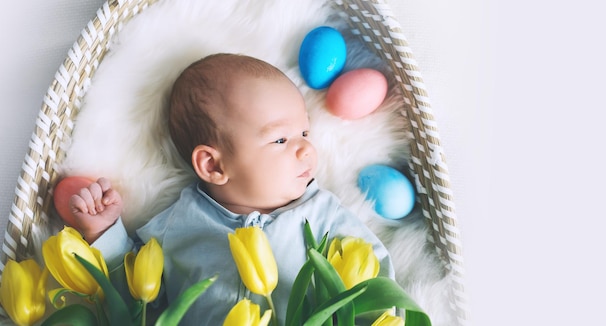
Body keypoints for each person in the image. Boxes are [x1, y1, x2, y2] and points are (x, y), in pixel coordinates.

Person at [68, 53, 394, 325]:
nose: (305, 149)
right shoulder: (177, 225)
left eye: (305, 132)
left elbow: (371, 277)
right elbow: (133, 294)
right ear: (213, 166)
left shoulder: (323, 216)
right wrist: (104, 233)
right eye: (280, 139)